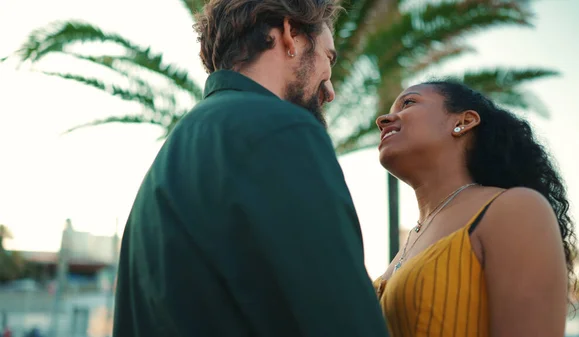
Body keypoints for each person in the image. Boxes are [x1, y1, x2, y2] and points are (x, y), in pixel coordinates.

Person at [112, 1, 389, 337]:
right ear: (291, 35)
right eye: (328, 58)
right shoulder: (281, 131)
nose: (329, 90)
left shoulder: (167, 162)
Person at [373, 80, 576, 337]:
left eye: (409, 103)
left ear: (464, 122)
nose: (384, 119)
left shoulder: (514, 209)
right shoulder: (408, 243)